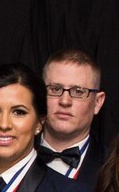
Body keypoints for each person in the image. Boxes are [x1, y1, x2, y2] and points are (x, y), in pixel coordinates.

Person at [36, 49, 107, 179]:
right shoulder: (12, 157)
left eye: (78, 91)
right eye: (55, 89)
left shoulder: (114, 168)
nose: (64, 101)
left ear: (97, 102)